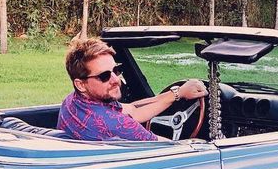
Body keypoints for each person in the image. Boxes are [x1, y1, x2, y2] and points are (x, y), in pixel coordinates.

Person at [58, 37, 207, 141]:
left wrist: (178, 93)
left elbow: (133, 110)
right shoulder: (115, 125)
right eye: (104, 76)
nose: (116, 80)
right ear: (81, 84)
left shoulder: (73, 102)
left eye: (116, 70)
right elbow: (173, 149)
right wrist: (200, 143)